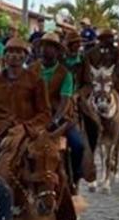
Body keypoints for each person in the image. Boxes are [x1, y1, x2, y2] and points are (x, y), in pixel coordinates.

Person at [33, 33, 87, 184]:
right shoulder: (31, 69)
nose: (45, 49)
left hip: (59, 119)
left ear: (57, 52)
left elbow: (65, 101)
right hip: (34, 118)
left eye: (50, 47)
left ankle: (74, 179)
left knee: (78, 145)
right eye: (43, 46)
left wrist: (55, 120)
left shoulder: (65, 74)